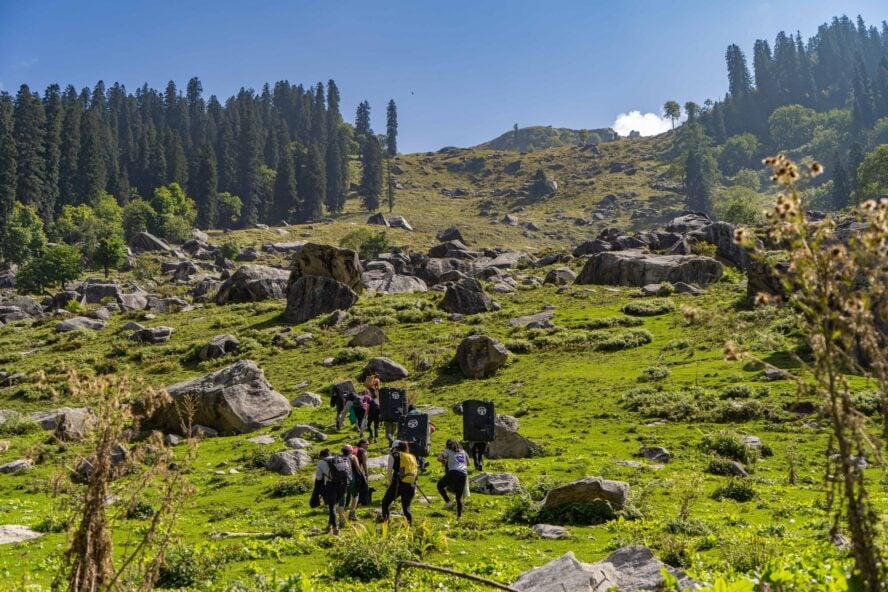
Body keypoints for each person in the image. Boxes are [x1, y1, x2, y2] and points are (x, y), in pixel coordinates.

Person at [380, 440, 417, 526]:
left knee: (385, 503)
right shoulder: (412, 456)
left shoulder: (394, 455)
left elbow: (389, 471)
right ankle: (409, 528)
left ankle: (386, 524)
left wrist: (389, 484)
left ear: (395, 447)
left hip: (398, 484)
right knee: (406, 508)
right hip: (411, 484)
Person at [437, 439, 469, 520]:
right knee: (459, 497)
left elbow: (439, 458)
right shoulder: (463, 452)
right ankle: (459, 517)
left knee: (440, 485)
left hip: (454, 472)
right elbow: (468, 463)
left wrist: (444, 460)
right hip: (463, 474)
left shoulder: (448, 451)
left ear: (449, 446)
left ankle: (448, 501)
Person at [347, 440, 370, 520]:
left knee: (348, 490)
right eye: (367, 444)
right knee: (357, 490)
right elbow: (364, 463)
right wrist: (366, 474)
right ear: (362, 444)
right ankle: (357, 505)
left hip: (347, 472)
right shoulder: (363, 451)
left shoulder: (353, 449)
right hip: (355, 472)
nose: (368, 446)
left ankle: (346, 505)